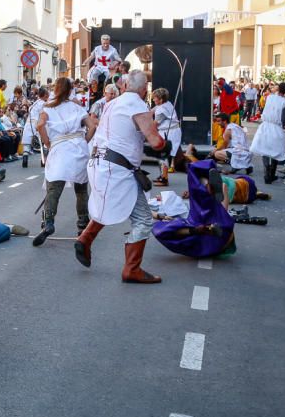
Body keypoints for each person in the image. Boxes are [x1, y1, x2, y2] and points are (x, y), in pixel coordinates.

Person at [75, 70, 168, 283]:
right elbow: (155, 142)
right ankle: (132, 269)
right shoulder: (137, 105)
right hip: (117, 170)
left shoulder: (112, 103)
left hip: (100, 163)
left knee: (107, 204)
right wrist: (165, 143)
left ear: (125, 86)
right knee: (144, 220)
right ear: (145, 90)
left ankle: (85, 239)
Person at [33, 77, 96, 247]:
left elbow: (39, 126)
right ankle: (82, 225)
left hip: (59, 148)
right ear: (70, 91)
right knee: (81, 190)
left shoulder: (47, 108)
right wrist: (85, 141)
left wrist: (47, 143)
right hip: (78, 148)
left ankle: (48, 223)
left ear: (55, 89)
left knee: (54, 188)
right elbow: (93, 127)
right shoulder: (77, 107)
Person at [250, 81, 285, 184]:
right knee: (275, 150)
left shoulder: (270, 97)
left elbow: (265, 109)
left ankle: (266, 170)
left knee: (264, 149)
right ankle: (271, 173)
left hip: (265, 125)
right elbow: (283, 118)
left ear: (278, 89)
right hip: (276, 127)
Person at [151, 88, 182, 187]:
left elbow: (154, 125)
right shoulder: (167, 103)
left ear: (160, 99)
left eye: (155, 98)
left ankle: (164, 179)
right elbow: (152, 110)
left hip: (169, 132)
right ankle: (162, 176)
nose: (153, 100)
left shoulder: (162, 110)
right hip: (171, 131)